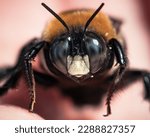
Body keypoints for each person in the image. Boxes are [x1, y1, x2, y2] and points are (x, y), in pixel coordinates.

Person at [0, 0, 150, 119]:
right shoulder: (43, 44)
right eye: (62, 51)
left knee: (145, 76)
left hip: (104, 81)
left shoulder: (112, 39)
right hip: (59, 82)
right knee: (17, 71)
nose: (78, 65)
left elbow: (123, 62)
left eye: (92, 49)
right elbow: (27, 58)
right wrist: (28, 88)